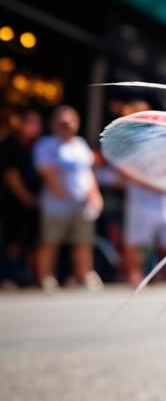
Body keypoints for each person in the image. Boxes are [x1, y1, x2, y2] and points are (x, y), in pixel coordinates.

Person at [33, 105, 104, 291]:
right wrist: (66, 195)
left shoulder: (80, 144)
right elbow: (46, 172)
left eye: (71, 122)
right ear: (53, 124)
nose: (67, 126)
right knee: (50, 242)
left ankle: (84, 276)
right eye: (62, 123)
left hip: (81, 205)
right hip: (56, 205)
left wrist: (95, 195)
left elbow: (88, 173)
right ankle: (46, 278)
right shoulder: (46, 144)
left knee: (83, 242)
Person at [119, 102, 166, 285]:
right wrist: (153, 183)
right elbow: (124, 170)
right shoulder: (129, 141)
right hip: (139, 201)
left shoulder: (162, 140)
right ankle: (134, 275)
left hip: (164, 200)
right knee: (136, 241)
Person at [0, 108, 43, 287]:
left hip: (33, 203)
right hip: (11, 202)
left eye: (36, 124)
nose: (33, 128)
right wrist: (25, 197)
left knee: (31, 241)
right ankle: (7, 276)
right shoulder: (10, 144)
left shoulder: (38, 145)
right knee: (12, 242)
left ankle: (26, 276)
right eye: (30, 123)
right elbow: (10, 174)